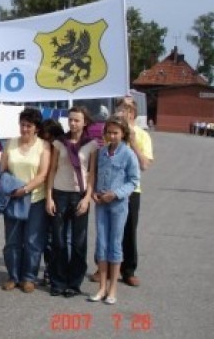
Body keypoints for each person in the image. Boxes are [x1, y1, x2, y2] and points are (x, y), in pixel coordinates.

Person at [45, 107, 98, 298]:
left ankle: (74, 283)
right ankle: (58, 281)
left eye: (77, 120)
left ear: (85, 122)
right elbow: (52, 170)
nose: (73, 123)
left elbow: (92, 174)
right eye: (71, 120)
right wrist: (49, 197)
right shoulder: (60, 142)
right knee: (58, 241)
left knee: (78, 242)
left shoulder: (91, 145)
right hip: (59, 194)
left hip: (79, 195)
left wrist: (87, 198)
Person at [88, 116, 140, 305]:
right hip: (101, 204)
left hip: (118, 205)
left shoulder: (128, 154)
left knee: (115, 244)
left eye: (115, 133)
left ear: (123, 133)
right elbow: (95, 175)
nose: (112, 136)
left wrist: (116, 194)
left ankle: (113, 289)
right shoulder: (102, 152)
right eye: (109, 132)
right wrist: (94, 193)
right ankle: (102, 287)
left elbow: (134, 181)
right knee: (101, 243)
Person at [0, 107, 51, 293]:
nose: (24, 129)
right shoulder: (10, 143)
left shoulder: (44, 146)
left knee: (32, 240)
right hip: (14, 198)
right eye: (22, 125)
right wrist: (13, 189)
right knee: (12, 240)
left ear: (36, 127)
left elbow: (43, 174)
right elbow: (3, 169)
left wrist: (26, 189)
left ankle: (29, 278)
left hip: (35, 199)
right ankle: (13, 276)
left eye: (29, 126)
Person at [115, 98, 153, 287]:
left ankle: (128, 270)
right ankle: (104, 266)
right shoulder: (111, 132)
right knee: (109, 230)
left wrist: (132, 142)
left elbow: (145, 165)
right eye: (121, 108)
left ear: (133, 114)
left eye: (128, 110)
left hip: (131, 190)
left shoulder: (142, 135)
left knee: (129, 231)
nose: (124, 112)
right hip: (111, 187)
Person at [37, 119, 65, 286]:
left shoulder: (62, 149)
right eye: (45, 138)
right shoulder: (40, 149)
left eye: (51, 138)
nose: (49, 142)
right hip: (42, 195)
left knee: (60, 235)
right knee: (45, 236)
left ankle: (60, 269)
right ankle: (49, 268)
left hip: (60, 194)